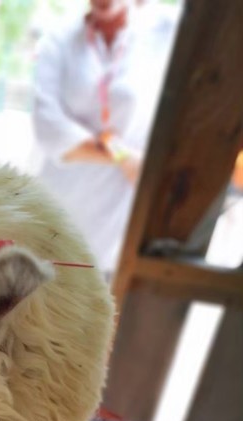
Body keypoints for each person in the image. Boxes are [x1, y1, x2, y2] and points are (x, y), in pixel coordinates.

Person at [33, 0, 180, 276]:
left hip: (118, 229)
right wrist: (123, 156)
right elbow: (50, 131)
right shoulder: (59, 39)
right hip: (55, 219)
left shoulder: (167, 31)